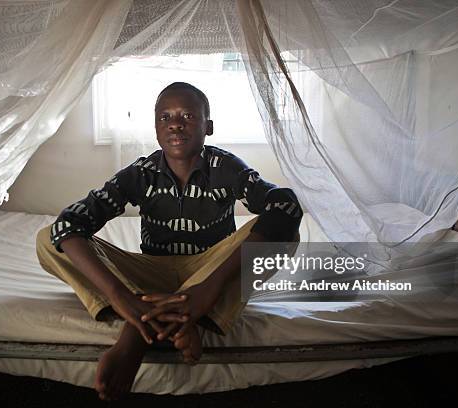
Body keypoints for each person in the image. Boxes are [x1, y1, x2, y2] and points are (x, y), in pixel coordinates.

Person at [36, 82, 302, 400]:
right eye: (165, 117)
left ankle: (144, 328)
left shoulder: (227, 168)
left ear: (209, 127)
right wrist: (119, 294)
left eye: (188, 115)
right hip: (149, 272)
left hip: (208, 271)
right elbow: (70, 222)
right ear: (156, 129)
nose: (175, 123)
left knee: (285, 233)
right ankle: (168, 318)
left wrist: (210, 287)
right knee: (49, 239)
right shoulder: (141, 173)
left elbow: (284, 204)